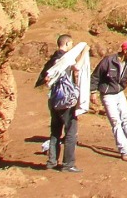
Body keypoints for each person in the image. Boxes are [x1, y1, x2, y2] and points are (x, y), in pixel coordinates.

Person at [36, 34, 83, 172]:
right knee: (70, 132)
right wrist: (84, 52)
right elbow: (77, 67)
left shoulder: (52, 59)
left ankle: (51, 162)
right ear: (67, 44)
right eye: (71, 44)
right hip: (65, 101)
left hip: (54, 100)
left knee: (55, 132)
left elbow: (45, 78)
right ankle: (68, 164)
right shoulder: (64, 59)